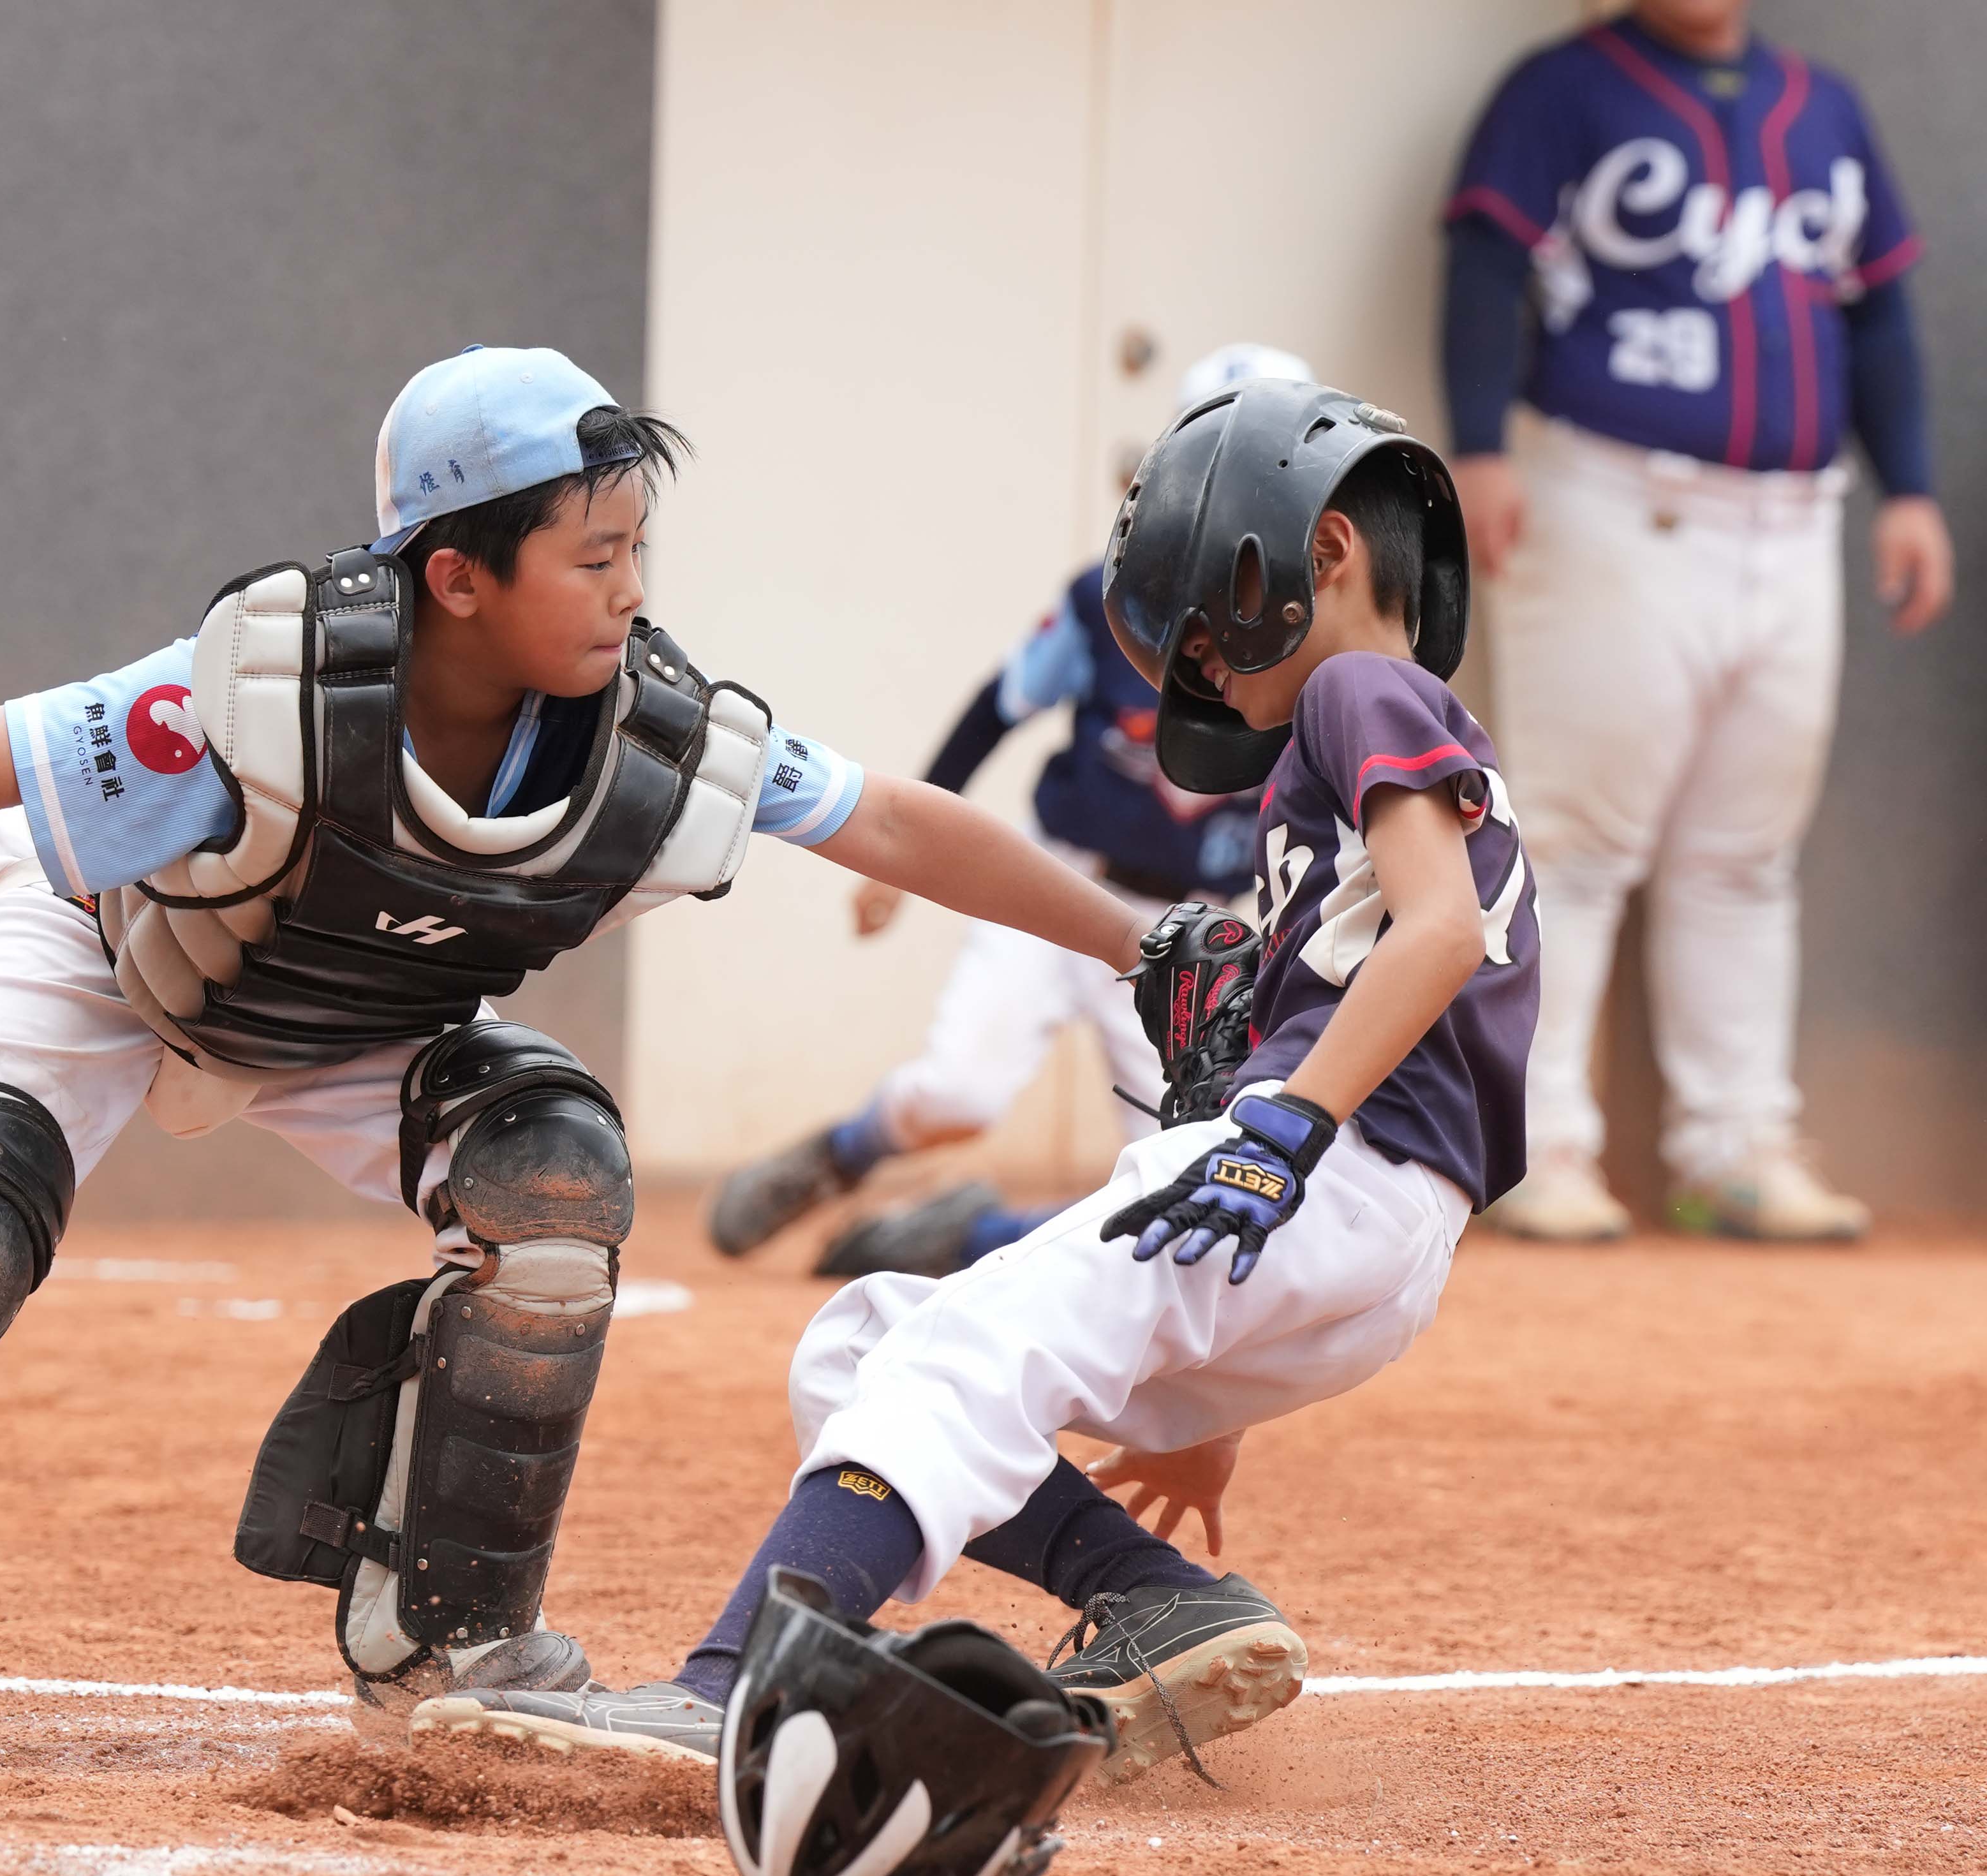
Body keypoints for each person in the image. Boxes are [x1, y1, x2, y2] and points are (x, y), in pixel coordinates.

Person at [0, 344, 1165, 1780]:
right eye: (591, 556)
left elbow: (887, 817)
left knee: (550, 1184)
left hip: (348, 1012)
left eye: (637, 550)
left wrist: (1144, 953)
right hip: (107, 948)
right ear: (457, 574)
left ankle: (448, 1644)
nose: (631, 589)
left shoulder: (645, 740)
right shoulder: (253, 698)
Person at [416, 381, 1539, 1783]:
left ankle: (730, 1688)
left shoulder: (1358, 690)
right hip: (1355, 1219)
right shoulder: (1354, 727)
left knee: (965, 1348)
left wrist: (1284, 1123)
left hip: (1334, 1166)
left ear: (1321, 557)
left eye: (1202, 617)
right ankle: (1158, 1599)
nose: (1193, 662)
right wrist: (1219, 1411)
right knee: (862, 1343)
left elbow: (1437, 930)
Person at [1445, 0, 1949, 1242]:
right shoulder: (1561, 89)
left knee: (1744, 854)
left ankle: (1732, 1145)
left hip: (1787, 521)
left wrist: (1913, 489)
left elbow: (1875, 313)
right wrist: (1474, 445)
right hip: (1614, 495)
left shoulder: (1820, 107)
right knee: (1570, 839)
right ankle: (1537, 1142)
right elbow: (1485, 265)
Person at [705, 344, 1305, 1281]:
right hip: (1061, 885)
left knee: (1185, 1168)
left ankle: (963, 1237)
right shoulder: (1114, 601)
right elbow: (997, 709)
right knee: (959, 1091)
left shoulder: (1314, 646)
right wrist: (887, 865)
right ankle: (844, 1154)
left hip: (1195, 929)